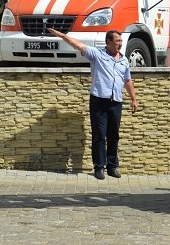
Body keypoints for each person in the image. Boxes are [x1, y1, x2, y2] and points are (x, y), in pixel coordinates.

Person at [48, 27, 138, 180]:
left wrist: (134, 99)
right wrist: (62, 35)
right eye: (117, 41)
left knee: (114, 135)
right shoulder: (97, 54)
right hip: (99, 101)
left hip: (116, 102)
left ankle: (112, 166)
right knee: (99, 135)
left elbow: (127, 80)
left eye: (121, 41)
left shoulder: (123, 60)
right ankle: (99, 167)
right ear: (109, 42)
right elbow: (78, 45)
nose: (120, 44)